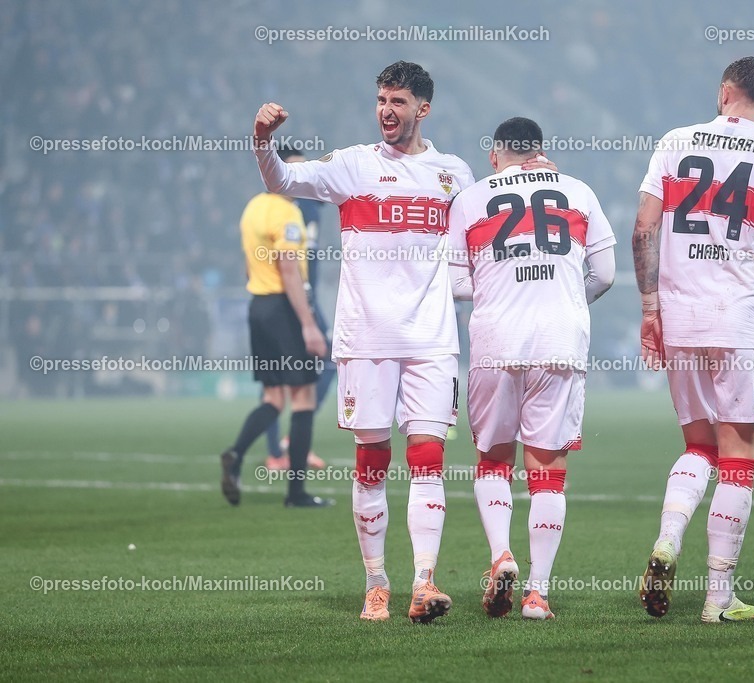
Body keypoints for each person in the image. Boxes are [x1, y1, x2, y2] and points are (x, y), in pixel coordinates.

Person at [252, 61, 553, 623]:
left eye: (397, 102)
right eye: (381, 101)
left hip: (432, 341)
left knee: (429, 462)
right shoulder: (352, 166)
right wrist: (262, 141)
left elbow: (501, 223)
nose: (386, 111)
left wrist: (537, 176)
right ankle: (376, 582)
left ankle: (423, 582)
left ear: (423, 108)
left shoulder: (453, 175)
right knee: (371, 460)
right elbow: (282, 181)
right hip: (365, 340)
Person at [631, 56, 754, 623]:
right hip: (740, 324)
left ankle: (668, 541)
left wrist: (650, 308)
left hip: (681, 320)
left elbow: (643, 229)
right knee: (739, 458)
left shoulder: (673, 141)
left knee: (698, 448)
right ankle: (718, 600)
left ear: (723, 94)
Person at [448, 117, 616, 620]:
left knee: (494, 459)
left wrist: (504, 292)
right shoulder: (577, 191)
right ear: (540, 151)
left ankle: (501, 555)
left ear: (497, 155)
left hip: (497, 342)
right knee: (548, 471)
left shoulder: (472, 198)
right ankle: (537, 593)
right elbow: (605, 273)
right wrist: (567, 300)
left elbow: (456, 284)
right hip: (559, 342)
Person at [220, 143, 331, 508]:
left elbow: (250, 263)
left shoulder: (252, 207)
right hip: (285, 308)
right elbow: (288, 269)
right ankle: (296, 493)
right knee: (303, 399)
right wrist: (309, 324)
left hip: (258, 307)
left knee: (272, 398)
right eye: (293, 171)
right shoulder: (288, 213)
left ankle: (235, 454)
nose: (298, 179)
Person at [263, 147, 330, 473]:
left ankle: (292, 442)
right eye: (294, 170)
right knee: (276, 380)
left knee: (327, 363)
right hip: (286, 298)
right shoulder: (280, 207)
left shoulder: (314, 199)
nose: (302, 175)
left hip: (310, 297)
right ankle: (277, 452)